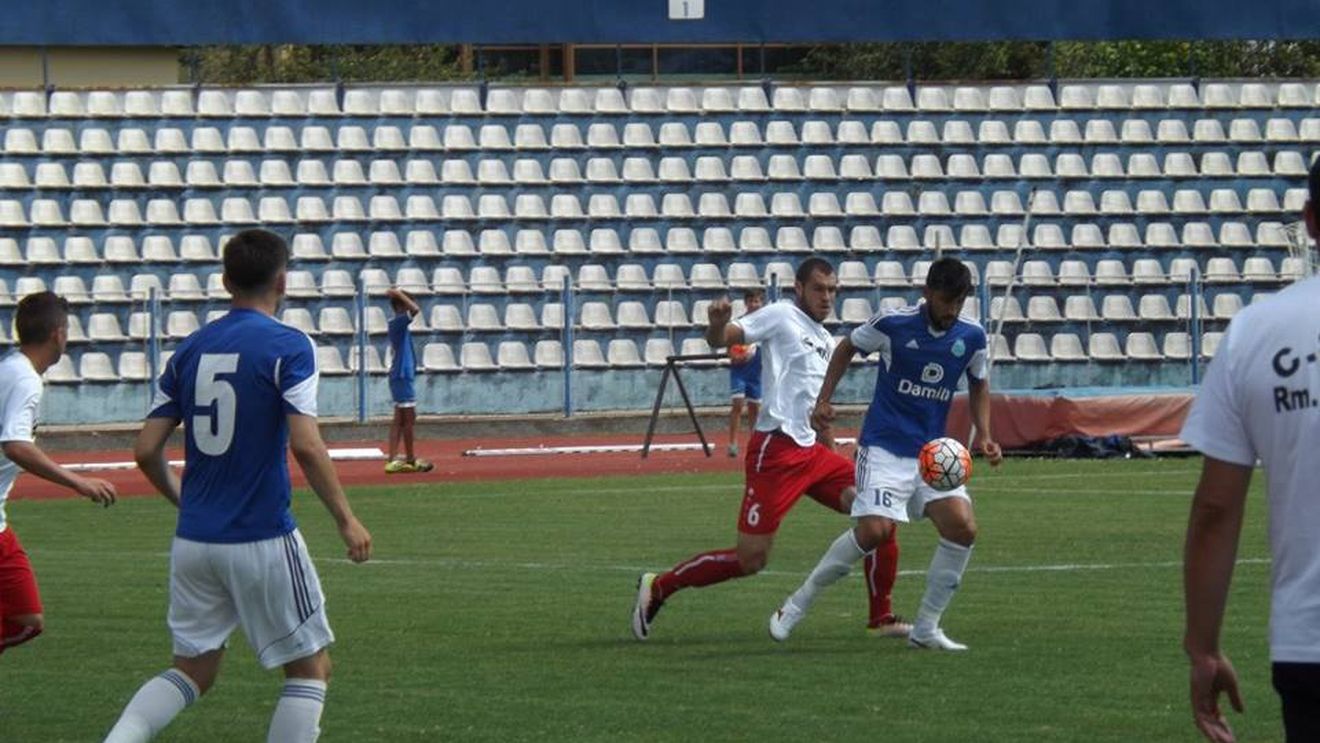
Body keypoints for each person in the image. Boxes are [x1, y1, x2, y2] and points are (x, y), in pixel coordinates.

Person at [103, 229, 373, 742]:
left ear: (226, 281)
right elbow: (307, 444)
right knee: (310, 670)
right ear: (283, 280)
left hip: (195, 541)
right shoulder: (290, 345)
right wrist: (346, 518)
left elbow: (145, 450)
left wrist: (184, 499)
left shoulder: (191, 350)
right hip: (261, 534)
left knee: (192, 670)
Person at [633, 257, 907, 641]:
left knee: (879, 512)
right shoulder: (780, 315)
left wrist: (830, 449)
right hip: (775, 453)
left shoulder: (826, 340)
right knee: (752, 559)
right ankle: (659, 586)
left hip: (813, 453)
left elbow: (815, 410)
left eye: (832, 290)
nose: (827, 297)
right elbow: (723, 338)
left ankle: (882, 617)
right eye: (818, 289)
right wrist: (716, 323)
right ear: (798, 288)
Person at [769, 257, 1001, 651]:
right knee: (875, 531)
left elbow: (979, 383)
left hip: (930, 455)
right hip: (882, 448)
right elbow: (846, 347)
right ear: (927, 293)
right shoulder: (892, 324)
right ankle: (795, 604)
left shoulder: (972, 336)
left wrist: (985, 434)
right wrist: (823, 400)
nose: (952, 311)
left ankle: (926, 628)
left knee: (963, 528)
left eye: (959, 303)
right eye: (946, 301)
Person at [1180, 158, 1320, 743]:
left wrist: (1204, 648)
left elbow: (1216, 509)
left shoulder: (1257, 332)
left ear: (1311, 221)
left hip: (1310, 640)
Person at [0, 292, 117, 659]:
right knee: (26, 619)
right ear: (58, 334)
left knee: (23, 618)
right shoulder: (24, 380)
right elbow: (15, 445)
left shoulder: (10, 368)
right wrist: (78, 483)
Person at [385, 287, 432, 474]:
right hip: (402, 377)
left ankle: (393, 458)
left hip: (401, 376)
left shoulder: (398, 325)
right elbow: (415, 309)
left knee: (400, 420)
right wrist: (399, 294)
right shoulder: (397, 323)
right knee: (409, 419)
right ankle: (410, 459)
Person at [726, 288, 765, 458]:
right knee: (737, 405)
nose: (754, 305)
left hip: (756, 374)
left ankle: (754, 443)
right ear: (746, 303)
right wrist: (735, 356)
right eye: (751, 301)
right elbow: (730, 347)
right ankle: (733, 442)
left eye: (757, 301)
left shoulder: (766, 325)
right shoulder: (739, 324)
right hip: (739, 372)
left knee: (754, 408)